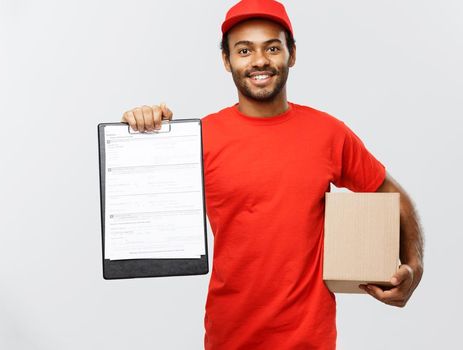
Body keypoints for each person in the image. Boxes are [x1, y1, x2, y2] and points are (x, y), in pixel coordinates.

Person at [119, 0, 424, 348]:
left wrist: (414, 267)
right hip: (230, 338)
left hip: (310, 339)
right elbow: (143, 198)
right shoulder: (200, 138)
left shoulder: (328, 133)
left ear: (292, 55)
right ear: (226, 60)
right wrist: (145, 131)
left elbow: (392, 197)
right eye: (244, 50)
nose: (259, 60)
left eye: (273, 47)